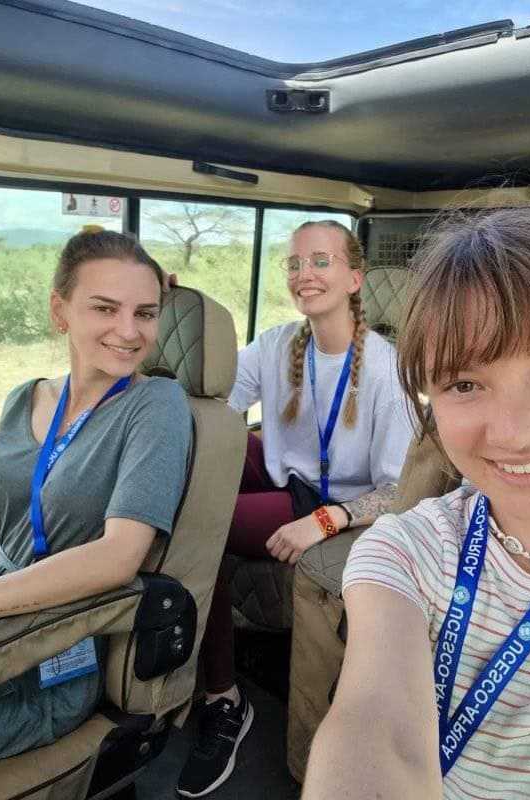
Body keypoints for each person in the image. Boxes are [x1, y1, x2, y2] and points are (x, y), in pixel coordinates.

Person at [302, 207, 530, 800]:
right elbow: (375, 727)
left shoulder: (378, 370)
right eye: (464, 384)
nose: (511, 432)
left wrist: (330, 516)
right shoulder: (411, 549)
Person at [177, 220, 413, 798]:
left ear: (354, 276)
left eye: (321, 262)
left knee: (199, 530)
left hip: (335, 500)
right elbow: (216, 406)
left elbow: (400, 491)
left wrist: (326, 520)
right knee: (186, 486)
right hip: (286, 473)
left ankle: (224, 699)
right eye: (293, 264)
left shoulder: (387, 368)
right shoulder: (279, 342)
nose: (303, 274)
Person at [0, 228, 191, 760]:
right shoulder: (22, 398)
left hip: (51, 650)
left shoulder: (156, 405)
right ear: (60, 311)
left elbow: (118, 557)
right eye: (106, 308)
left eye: (146, 313)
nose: (128, 331)